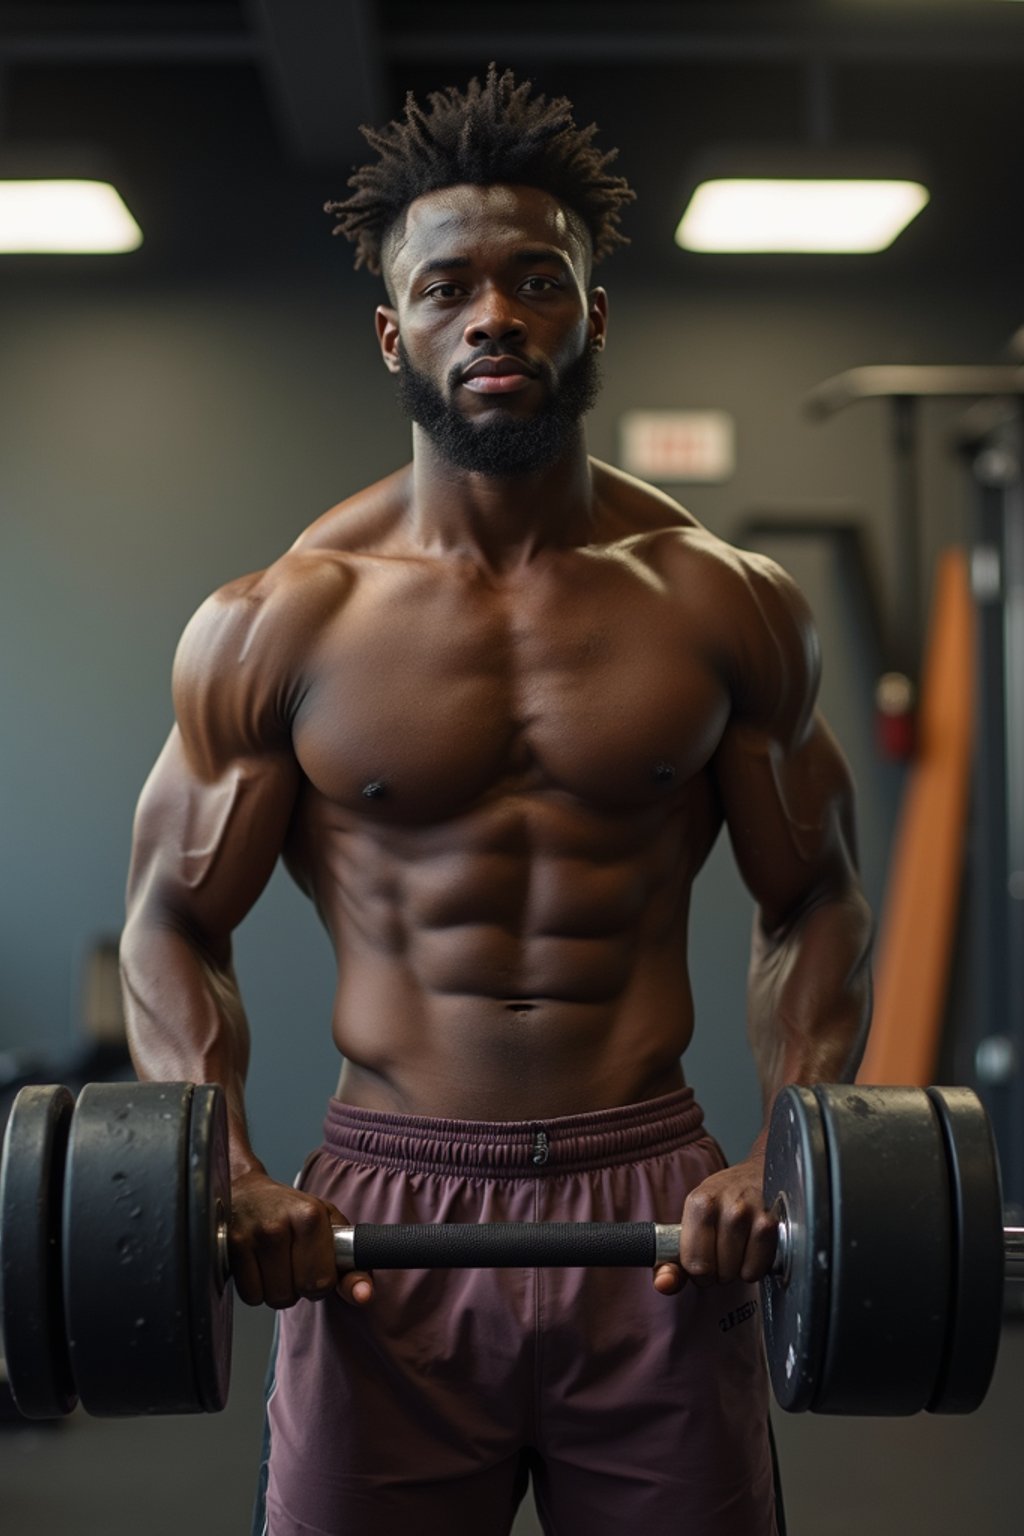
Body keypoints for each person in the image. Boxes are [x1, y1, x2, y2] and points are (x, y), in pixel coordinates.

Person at [120, 65, 872, 1536]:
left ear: (592, 313)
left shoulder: (727, 606)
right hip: (381, 1216)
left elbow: (818, 895)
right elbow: (166, 919)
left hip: (653, 1200)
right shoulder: (283, 620)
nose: (497, 316)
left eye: (538, 280)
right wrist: (225, 1165)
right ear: (395, 329)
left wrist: (788, 1143)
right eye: (452, 287)